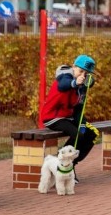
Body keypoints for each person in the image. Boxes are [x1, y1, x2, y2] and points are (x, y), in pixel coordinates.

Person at [40, 54, 97, 182]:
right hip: (53, 117)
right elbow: (63, 85)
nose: (82, 75)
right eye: (80, 71)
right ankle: (60, 161)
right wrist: (74, 82)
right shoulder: (65, 76)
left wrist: (82, 124)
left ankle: (72, 164)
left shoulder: (82, 87)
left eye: (86, 74)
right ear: (73, 67)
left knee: (90, 133)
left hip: (67, 117)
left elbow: (78, 108)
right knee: (77, 135)